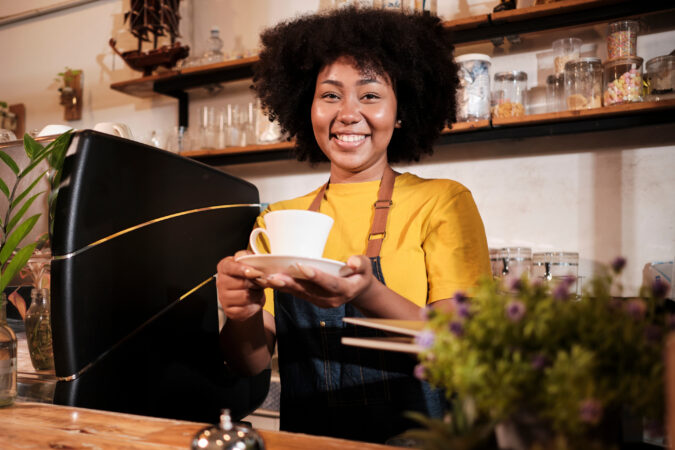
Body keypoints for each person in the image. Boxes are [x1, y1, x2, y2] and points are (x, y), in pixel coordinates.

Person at [216, 7, 491, 444]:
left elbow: (460, 350)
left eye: (369, 95)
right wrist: (241, 315)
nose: (347, 113)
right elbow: (248, 363)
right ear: (307, 106)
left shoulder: (441, 201)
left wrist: (367, 293)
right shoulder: (278, 220)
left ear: (401, 111)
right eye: (330, 95)